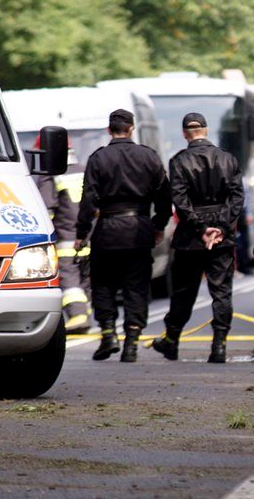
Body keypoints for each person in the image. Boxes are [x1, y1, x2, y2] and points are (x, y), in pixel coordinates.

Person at [75, 109, 171, 362]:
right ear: (131, 128)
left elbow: (88, 199)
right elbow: (164, 196)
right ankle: (132, 342)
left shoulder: (98, 158)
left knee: (104, 285)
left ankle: (108, 334)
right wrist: (159, 225)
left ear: (109, 130)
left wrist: (81, 232)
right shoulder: (148, 157)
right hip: (139, 231)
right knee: (136, 287)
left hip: (106, 231)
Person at [152, 113, 244, 363]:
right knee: (222, 292)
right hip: (221, 238)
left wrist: (201, 228)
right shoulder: (228, 158)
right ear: (206, 129)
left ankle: (172, 340)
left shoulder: (179, 161)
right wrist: (221, 228)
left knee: (183, 292)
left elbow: (180, 201)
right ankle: (219, 345)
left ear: (184, 133)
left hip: (190, 239)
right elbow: (237, 198)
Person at [35, 135, 91, 333]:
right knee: (85, 278)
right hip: (88, 236)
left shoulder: (52, 174)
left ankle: (77, 316)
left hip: (66, 237)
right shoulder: (84, 170)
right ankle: (85, 313)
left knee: (69, 277)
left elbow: (46, 208)